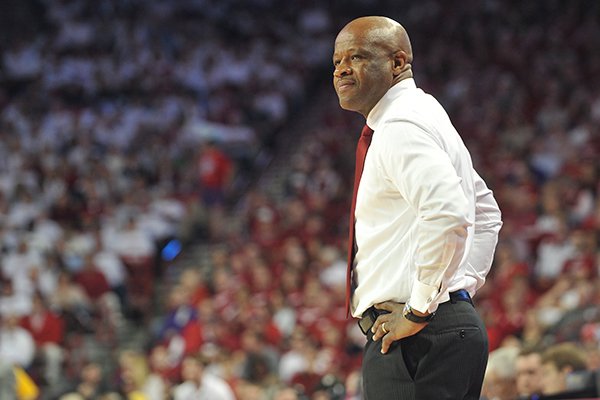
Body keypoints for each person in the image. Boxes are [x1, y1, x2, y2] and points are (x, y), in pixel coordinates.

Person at [332, 16, 502, 399]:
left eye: (356, 57)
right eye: (337, 61)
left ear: (397, 62)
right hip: (442, 329)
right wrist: (457, 291)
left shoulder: (400, 125)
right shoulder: (424, 112)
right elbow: (486, 211)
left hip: (418, 338)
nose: (342, 69)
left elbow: (449, 213)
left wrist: (421, 308)